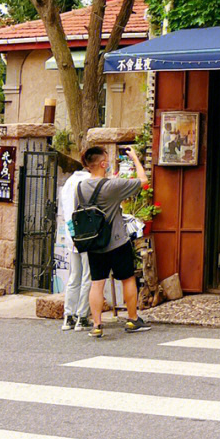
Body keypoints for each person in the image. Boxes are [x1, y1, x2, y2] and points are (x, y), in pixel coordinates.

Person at [76, 144, 151, 337]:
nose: (109, 164)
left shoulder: (80, 187)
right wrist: (134, 158)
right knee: (127, 279)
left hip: (94, 243)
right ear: (102, 164)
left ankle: (97, 325)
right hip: (117, 241)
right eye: (107, 161)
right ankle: (133, 319)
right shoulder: (111, 186)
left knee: (97, 282)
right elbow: (143, 181)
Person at [58, 162, 91, 331]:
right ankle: (82, 317)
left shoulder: (68, 183)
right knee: (87, 276)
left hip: (72, 234)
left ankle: (68, 316)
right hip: (87, 233)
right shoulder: (89, 181)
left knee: (74, 276)